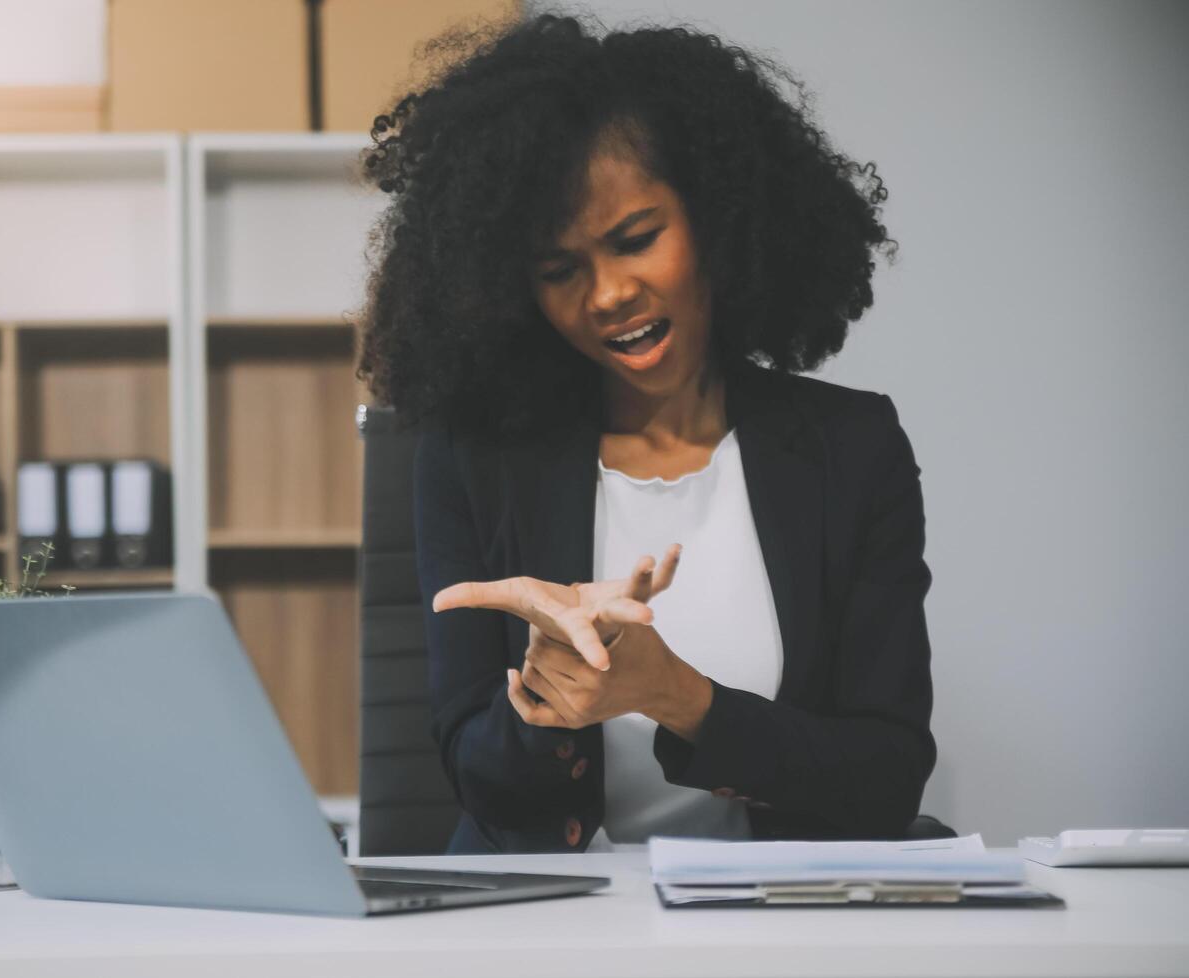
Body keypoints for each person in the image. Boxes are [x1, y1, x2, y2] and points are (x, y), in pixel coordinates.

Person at [355, 11, 935, 854]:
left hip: (773, 929)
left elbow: (885, 776)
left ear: (716, 216)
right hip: (550, 931)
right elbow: (477, 781)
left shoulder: (852, 448)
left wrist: (678, 697)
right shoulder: (473, 459)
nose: (606, 295)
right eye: (561, 270)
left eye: (635, 240)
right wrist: (544, 698)